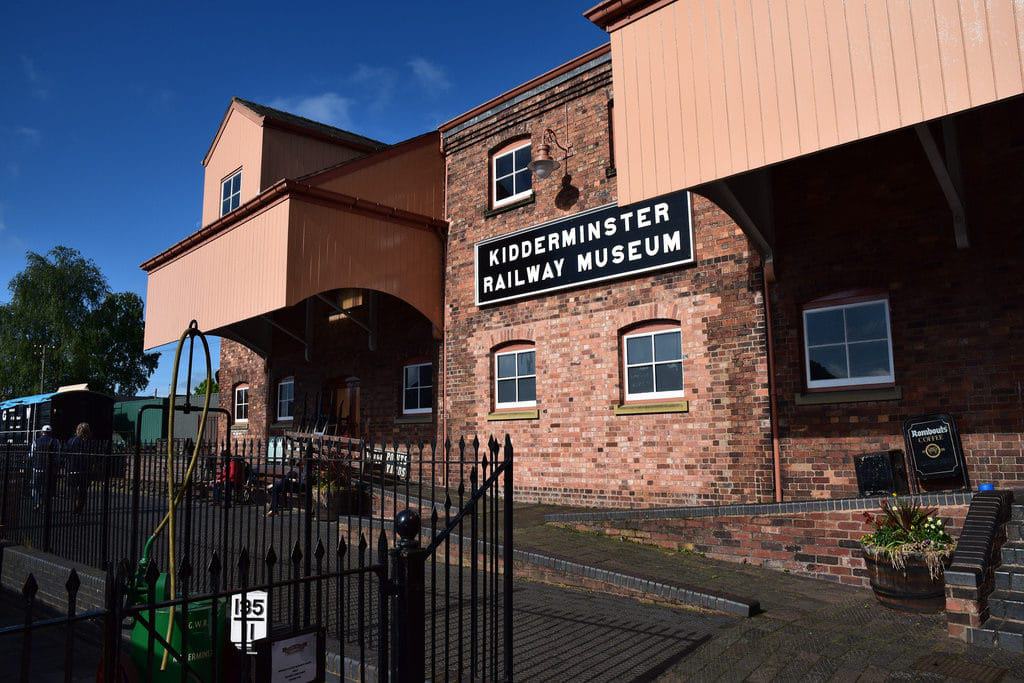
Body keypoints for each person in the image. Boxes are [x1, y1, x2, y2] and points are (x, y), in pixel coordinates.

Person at [29, 425, 60, 510]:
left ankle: (38, 502)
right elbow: (57, 457)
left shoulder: (36, 441)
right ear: (51, 433)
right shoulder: (55, 441)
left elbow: (31, 455)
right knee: (47, 488)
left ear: (42, 432)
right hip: (49, 470)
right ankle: (46, 506)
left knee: (35, 488)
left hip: (37, 469)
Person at [64, 423, 92, 514]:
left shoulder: (71, 441)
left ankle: (75, 506)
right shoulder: (88, 442)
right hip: (84, 470)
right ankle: (79, 507)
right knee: (83, 491)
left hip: (72, 469)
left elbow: (66, 454)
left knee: (73, 490)